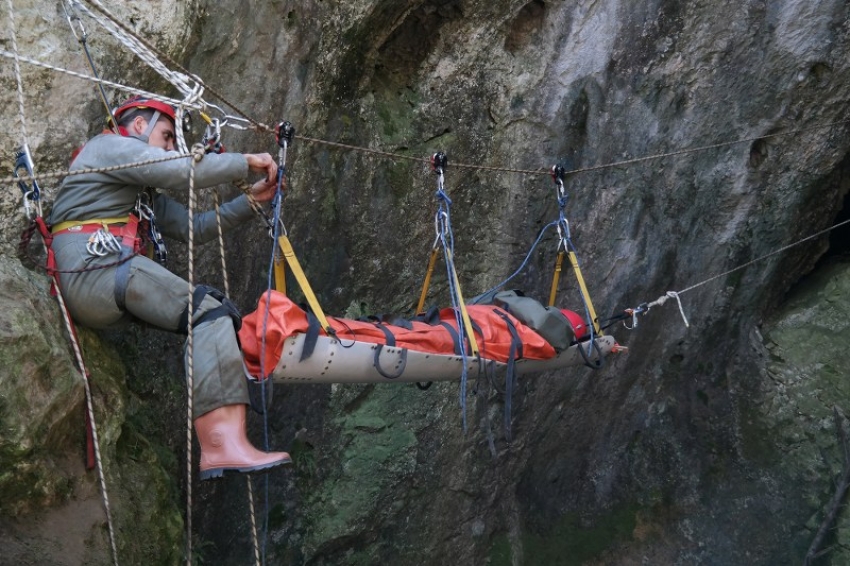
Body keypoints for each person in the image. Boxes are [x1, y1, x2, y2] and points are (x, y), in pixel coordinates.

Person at [47, 95, 291, 480]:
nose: (170, 147)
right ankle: (222, 445)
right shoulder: (107, 147)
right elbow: (180, 170)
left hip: (100, 275)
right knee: (207, 311)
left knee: (212, 312)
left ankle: (225, 442)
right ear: (139, 126)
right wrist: (243, 162)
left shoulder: (139, 193)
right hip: (95, 267)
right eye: (165, 136)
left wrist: (251, 203)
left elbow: (194, 228)